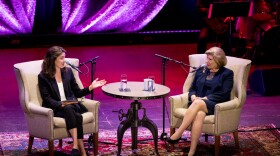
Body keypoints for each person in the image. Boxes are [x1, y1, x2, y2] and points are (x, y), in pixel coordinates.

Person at [38, 46, 106, 156]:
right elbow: (47, 99)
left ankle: (75, 147)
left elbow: (77, 92)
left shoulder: (68, 71)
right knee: (77, 116)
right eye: (61, 58)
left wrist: (90, 87)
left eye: (64, 57)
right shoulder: (43, 76)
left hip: (71, 105)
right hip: (57, 108)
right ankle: (82, 152)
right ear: (53, 59)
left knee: (70, 108)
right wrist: (62, 104)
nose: (64, 60)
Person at [167, 47, 233, 156]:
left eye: (210, 59)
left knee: (198, 104)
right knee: (199, 114)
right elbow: (192, 88)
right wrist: (193, 97)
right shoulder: (201, 70)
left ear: (218, 60)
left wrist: (205, 99)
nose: (207, 61)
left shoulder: (227, 73)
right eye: (207, 59)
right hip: (196, 104)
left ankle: (178, 133)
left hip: (215, 104)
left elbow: (224, 93)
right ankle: (192, 151)